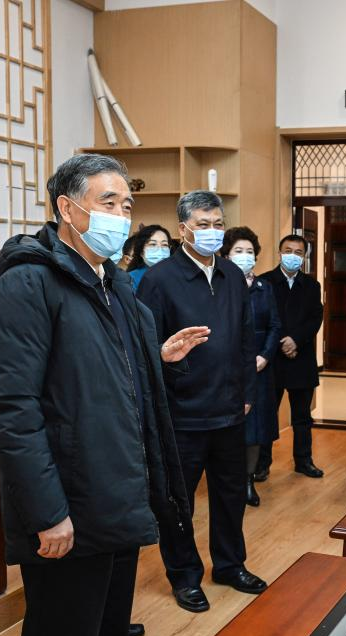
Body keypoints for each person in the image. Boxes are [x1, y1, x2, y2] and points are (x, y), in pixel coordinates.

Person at [0, 153, 199, 636]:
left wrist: (156, 360)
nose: (120, 217)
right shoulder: (28, 285)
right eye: (108, 203)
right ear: (67, 209)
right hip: (69, 509)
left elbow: (100, 378)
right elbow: (11, 411)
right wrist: (47, 512)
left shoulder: (114, 286)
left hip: (117, 499)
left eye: (127, 206)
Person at [137, 191, 268, 613]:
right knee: (179, 503)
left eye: (218, 224)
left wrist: (247, 393)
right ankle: (185, 576)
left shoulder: (231, 273)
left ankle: (230, 565)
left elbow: (246, 338)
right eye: (203, 224)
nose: (213, 232)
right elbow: (146, 349)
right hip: (182, 412)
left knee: (230, 495)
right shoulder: (160, 280)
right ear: (183, 230)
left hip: (230, 408)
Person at [256, 235, 325, 479]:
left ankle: (304, 461)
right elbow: (263, 318)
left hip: (301, 358)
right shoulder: (264, 281)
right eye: (288, 250)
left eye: (298, 252)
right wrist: (282, 341)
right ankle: (261, 464)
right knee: (267, 415)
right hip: (271, 359)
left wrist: (295, 340)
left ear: (304, 257)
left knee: (302, 417)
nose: (292, 256)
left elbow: (315, 317)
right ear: (279, 252)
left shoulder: (311, 285)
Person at [222, 226, 281, 504]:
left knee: (256, 428)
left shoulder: (264, 288)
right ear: (226, 255)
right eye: (238, 251)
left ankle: (248, 480)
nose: (245, 256)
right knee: (230, 427)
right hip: (228, 368)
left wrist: (265, 355)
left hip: (259, 368)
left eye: (249, 251)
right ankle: (229, 480)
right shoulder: (219, 286)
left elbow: (274, 326)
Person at [124, 224, 173, 291]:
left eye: (164, 245)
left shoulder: (177, 275)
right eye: (153, 244)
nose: (160, 249)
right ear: (141, 251)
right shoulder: (131, 279)